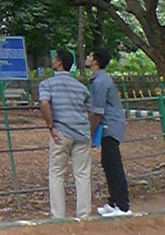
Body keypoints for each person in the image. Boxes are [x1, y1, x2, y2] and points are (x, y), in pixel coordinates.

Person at [38, 49, 91, 219]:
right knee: (82, 174)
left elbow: (44, 103)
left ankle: (58, 217)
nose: (53, 61)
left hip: (60, 132)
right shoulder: (81, 87)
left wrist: (50, 126)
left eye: (55, 58)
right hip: (82, 133)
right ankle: (83, 216)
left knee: (56, 173)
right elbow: (89, 110)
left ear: (59, 62)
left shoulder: (47, 84)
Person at [87, 48, 130, 217]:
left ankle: (123, 205)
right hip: (110, 126)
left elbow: (98, 112)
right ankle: (114, 202)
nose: (88, 57)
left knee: (114, 165)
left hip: (109, 127)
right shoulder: (100, 79)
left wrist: (91, 133)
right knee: (107, 163)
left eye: (90, 55)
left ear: (96, 61)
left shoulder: (100, 82)